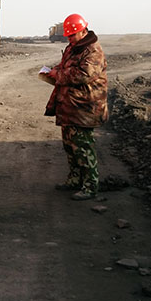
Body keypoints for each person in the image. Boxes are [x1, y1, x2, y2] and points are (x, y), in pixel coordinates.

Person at [42, 13, 108, 201]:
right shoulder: (74, 48)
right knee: (70, 146)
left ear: (82, 31)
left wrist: (58, 74)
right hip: (71, 106)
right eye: (68, 36)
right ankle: (75, 179)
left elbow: (83, 74)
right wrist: (53, 70)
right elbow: (66, 66)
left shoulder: (92, 50)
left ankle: (90, 185)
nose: (69, 39)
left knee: (83, 147)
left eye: (72, 35)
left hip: (85, 108)